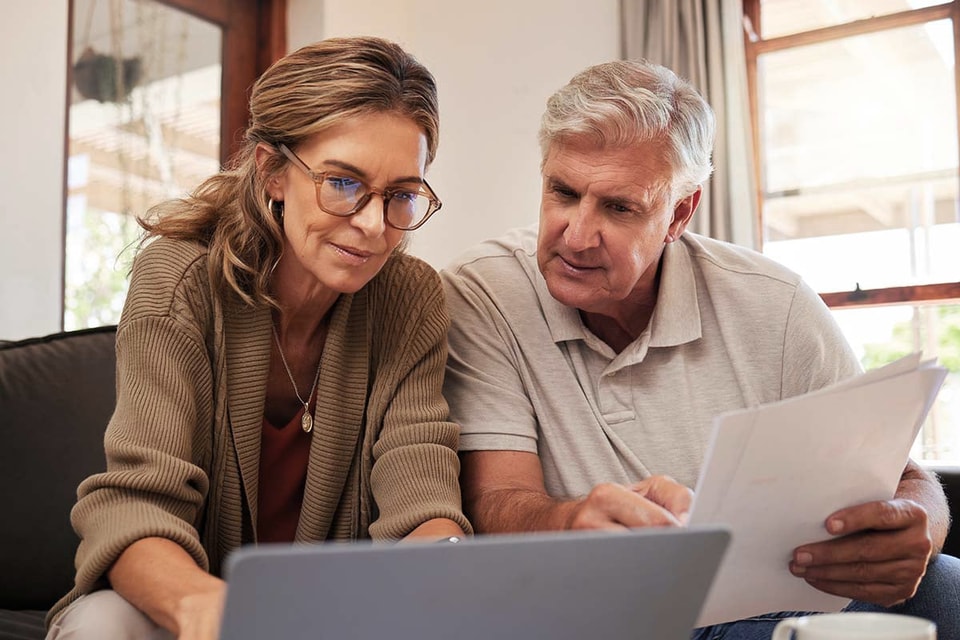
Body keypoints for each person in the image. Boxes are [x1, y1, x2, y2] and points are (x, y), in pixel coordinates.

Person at [441, 58, 960, 640]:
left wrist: (918, 528)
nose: (577, 235)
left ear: (679, 214)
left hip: (775, 601)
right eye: (563, 192)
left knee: (946, 585)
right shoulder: (484, 291)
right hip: (604, 610)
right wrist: (570, 524)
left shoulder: (777, 302)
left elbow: (903, 477)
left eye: (619, 207)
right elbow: (497, 499)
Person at [46, 36, 471, 640]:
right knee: (104, 624)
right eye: (343, 183)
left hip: (336, 618)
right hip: (185, 607)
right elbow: (136, 507)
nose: (374, 225)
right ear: (272, 171)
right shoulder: (180, 278)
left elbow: (420, 497)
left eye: (401, 195)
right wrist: (211, 610)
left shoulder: (411, 298)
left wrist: (450, 572)